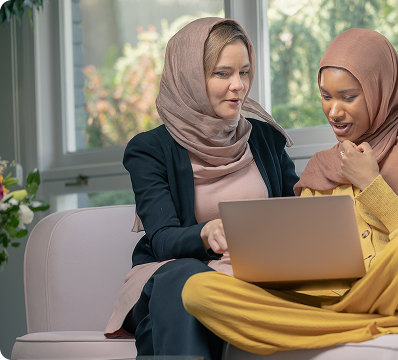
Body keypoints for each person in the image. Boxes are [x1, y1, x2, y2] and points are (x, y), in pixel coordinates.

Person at [181, 28, 398, 355]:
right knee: (197, 290)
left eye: (348, 97)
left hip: (388, 291)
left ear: (381, 90)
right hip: (320, 300)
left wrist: (372, 184)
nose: (334, 112)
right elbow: (304, 256)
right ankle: (394, 325)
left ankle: (333, 327)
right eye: (326, 96)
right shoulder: (323, 163)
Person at [103, 17, 299, 360]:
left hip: (248, 276)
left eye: (244, 72)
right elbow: (162, 238)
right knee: (188, 277)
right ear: (190, 77)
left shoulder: (266, 138)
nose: (238, 85)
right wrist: (207, 234)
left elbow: (293, 218)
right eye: (222, 73)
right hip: (170, 274)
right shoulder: (150, 149)